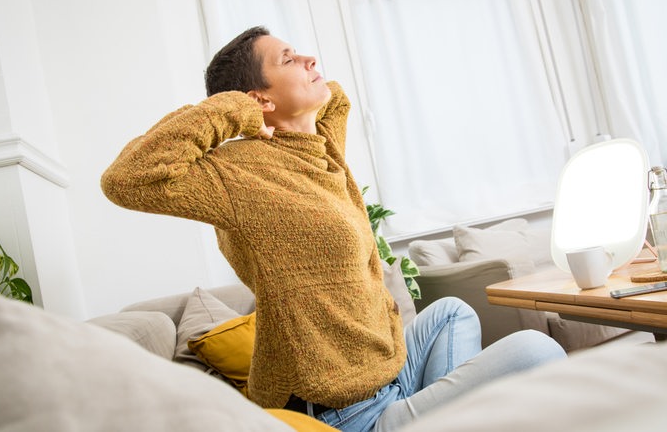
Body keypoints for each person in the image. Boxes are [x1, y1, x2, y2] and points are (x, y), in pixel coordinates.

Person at [101, 26, 565, 431]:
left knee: (452, 312)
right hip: (347, 410)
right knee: (534, 350)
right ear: (257, 98)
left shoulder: (319, 150)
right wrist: (234, 108)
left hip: (388, 375)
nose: (309, 59)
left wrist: (291, 92)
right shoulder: (235, 174)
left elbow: (336, 98)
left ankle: (437, 414)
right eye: (288, 58)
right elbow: (127, 179)